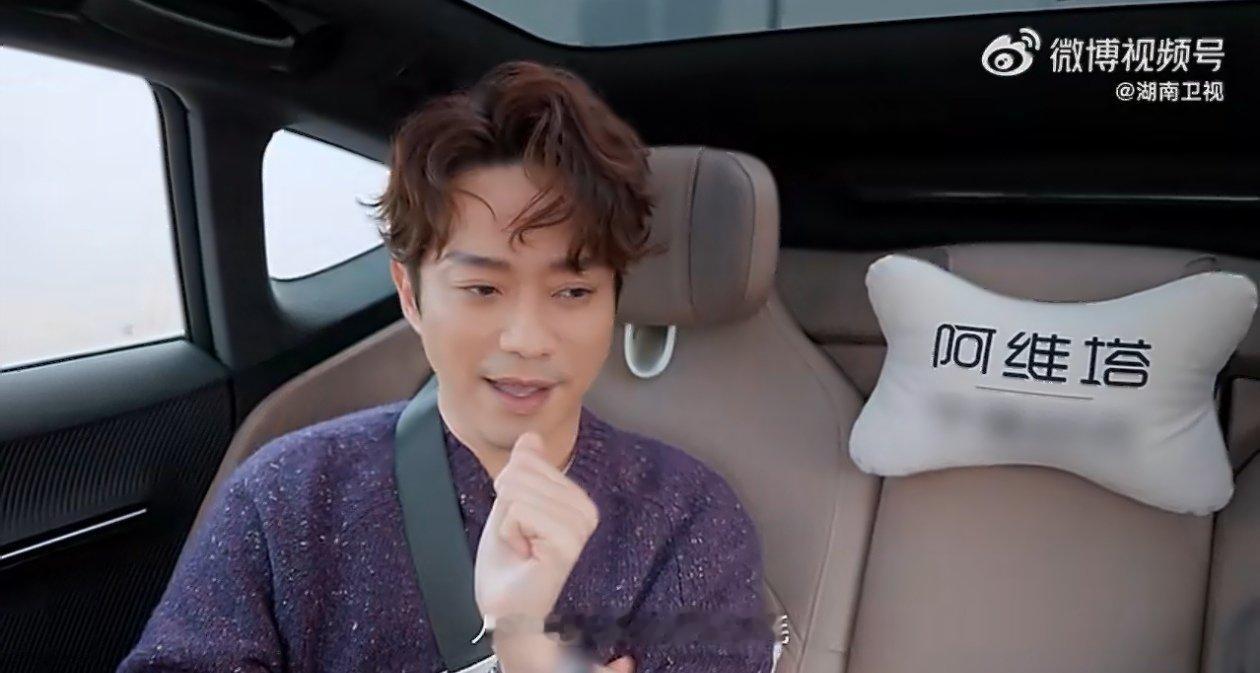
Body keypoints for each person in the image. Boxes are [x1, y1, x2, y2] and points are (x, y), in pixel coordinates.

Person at [116, 60, 774, 673]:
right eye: (483, 288)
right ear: (410, 294)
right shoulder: (287, 496)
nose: (527, 339)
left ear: (613, 301)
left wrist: (531, 646)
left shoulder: (688, 518)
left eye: (573, 291)